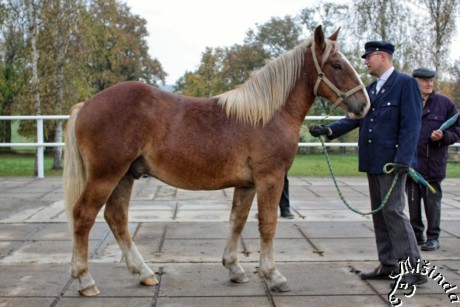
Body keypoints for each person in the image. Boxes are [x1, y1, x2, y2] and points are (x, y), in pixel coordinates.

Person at [309, 41, 427, 286]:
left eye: (369, 57)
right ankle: (389, 264)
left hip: (393, 162)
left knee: (393, 212)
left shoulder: (405, 84)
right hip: (373, 159)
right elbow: (355, 118)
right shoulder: (372, 89)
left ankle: (414, 269)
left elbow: (411, 124)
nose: (365, 61)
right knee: (380, 214)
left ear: (382, 57)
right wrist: (328, 129)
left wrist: (403, 159)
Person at [406, 67, 460, 251]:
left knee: (432, 204)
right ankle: (416, 235)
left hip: (433, 164)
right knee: (413, 203)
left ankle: (433, 237)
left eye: (431, 80)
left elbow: (457, 130)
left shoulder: (444, 103)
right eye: (424, 80)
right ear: (415, 82)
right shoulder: (407, 101)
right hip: (410, 165)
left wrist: (443, 137)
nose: (429, 84)